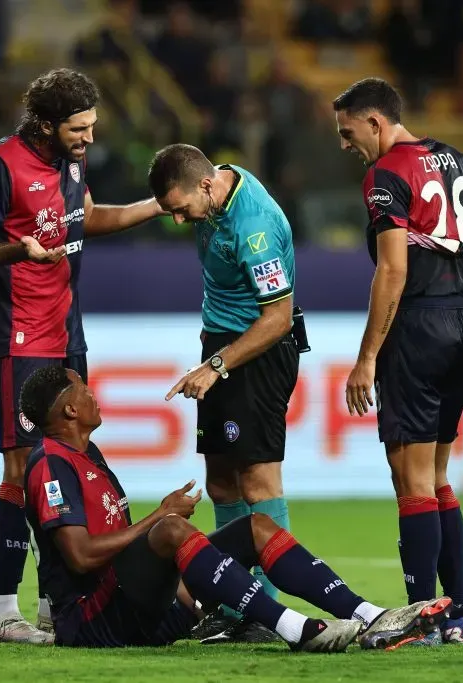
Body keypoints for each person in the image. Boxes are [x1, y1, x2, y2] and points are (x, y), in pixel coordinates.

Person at [19, 365, 452, 651]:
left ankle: (369, 616)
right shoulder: (50, 465)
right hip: (94, 623)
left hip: (136, 609)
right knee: (169, 529)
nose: (94, 396)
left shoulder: (87, 454)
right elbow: (80, 555)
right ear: (70, 409)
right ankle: (294, 629)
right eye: (84, 391)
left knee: (255, 526)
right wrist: (159, 515)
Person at [0, 68, 166, 644]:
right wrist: (13, 248)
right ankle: (2, 611)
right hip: (22, 338)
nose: (89, 138)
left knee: (63, 468)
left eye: (93, 127)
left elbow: (86, 218)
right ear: (45, 125)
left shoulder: (72, 161)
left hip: (68, 336)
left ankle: (54, 601)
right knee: (22, 471)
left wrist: (155, 206)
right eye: (79, 128)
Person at [332, 78, 463, 646]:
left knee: (410, 483)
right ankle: (457, 616)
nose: (345, 145)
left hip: (413, 330)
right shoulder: (458, 160)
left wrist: (366, 358)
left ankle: (419, 620)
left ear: (376, 123)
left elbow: (392, 271)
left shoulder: (386, 175)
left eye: (348, 132)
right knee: (434, 478)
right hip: (458, 323)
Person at [146, 143, 300, 643]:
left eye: (180, 210)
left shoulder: (254, 229)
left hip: (256, 350)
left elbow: (276, 318)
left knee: (257, 482)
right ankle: (237, 606)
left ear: (207, 187)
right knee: (220, 485)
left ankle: (269, 614)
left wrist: (216, 364)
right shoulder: (213, 189)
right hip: (221, 344)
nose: (177, 221)